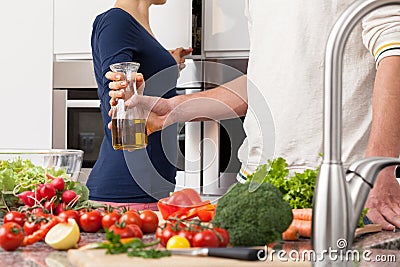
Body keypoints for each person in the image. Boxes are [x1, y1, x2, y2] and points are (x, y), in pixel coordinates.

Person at [106, 0, 400, 229]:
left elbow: (394, 50)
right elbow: (261, 83)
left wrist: (378, 169)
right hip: (255, 184)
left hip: (342, 189)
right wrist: (171, 111)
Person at [89, 0, 192, 209]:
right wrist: (123, 88)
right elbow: (120, 93)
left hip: (149, 190)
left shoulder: (136, 24)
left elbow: (142, 88)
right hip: (127, 191)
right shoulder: (116, 22)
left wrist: (169, 64)